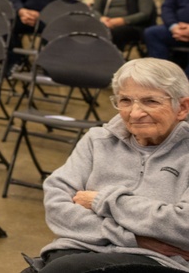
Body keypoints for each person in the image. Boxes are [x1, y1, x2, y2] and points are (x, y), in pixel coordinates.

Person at [25, 58, 189, 272]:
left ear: (182, 107)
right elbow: (57, 206)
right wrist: (135, 238)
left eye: (150, 101)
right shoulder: (97, 140)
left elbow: (184, 225)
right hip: (80, 247)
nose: (135, 113)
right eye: (125, 100)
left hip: (159, 261)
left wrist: (100, 201)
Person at [144, 0, 189, 76]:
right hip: (178, 28)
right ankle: (161, 75)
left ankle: (186, 81)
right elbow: (167, 7)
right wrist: (174, 27)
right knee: (152, 33)